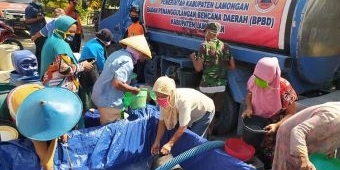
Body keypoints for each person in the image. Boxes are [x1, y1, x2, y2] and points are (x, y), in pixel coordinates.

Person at [241, 57, 298, 168]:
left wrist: (276, 125)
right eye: (256, 77)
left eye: (262, 80)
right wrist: (249, 108)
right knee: (250, 148)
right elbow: (249, 94)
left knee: (270, 156)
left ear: (271, 76)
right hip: (256, 120)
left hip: (273, 124)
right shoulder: (255, 79)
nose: (257, 81)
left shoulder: (284, 87)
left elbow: (291, 113)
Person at [91, 35, 152, 125]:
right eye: (143, 55)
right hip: (109, 101)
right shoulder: (128, 61)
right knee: (110, 129)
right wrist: (134, 90)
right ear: (138, 52)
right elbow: (117, 83)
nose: (143, 59)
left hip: (100, 93)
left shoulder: (118, 53)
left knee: (120, 117)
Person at [189, 21, 235, 134]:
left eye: (205, 32)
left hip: (206, 86)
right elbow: (232, 66)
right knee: (213, 111)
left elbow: (198, 69)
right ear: (217, 33)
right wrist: (221, 67)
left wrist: (193, 58)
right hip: (221, 87)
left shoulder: (204, 46)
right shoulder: (226, 47)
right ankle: (209, 134)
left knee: (199, 109)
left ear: (208, 32)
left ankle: (197, 135)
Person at [150, 76, 215, 155]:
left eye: (163, 96)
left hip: (205, 111)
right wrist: (157, 141)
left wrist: (170, 144)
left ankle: (205, 151)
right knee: (187, 134)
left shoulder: (183, 101)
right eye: (157, 95)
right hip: (192, 111)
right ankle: (207, 132)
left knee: (194, 142)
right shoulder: (163, 100)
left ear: (171, 94)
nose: (160, 99)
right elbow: (162, 121)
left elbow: (183, 126)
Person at [272, 102, 340, 170]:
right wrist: (304, 159)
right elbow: (298, 131)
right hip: (289, 136)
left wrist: (331, 149)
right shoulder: (333, 117)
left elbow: (333, 132)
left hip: (308, 138)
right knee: (290, 166)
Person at [40, 16, 94, 93]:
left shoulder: (53, 38)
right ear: (62, 28)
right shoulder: (59, 45)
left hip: (51, 83)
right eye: (70, 31)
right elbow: (65, 70)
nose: (72, 35)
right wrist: (83, 65)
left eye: (74, 33)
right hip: (59, 89)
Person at [78, 28, 113, 113]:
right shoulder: (98, 47)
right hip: (89, 67)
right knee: (96, 87)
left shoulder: (94, 40)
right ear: (105, 41)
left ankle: (85, 108)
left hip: (82, 64)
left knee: (85, 89)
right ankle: (92, 109)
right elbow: (101, 63)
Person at [123, 5, 148, 84]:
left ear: (138, 15)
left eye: (135, 15)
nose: (134, 17)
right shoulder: (130, 26)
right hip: (130, 54)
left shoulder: (141, 26)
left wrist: (142, 54)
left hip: (139, 54)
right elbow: (125, 40)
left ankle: (140, 90)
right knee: (132, 73)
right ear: (130, 15)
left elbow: (146, 40)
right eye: (132, 15)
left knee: (140, 75)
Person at [25, 0, 46, 70]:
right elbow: (27, 21)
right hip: (36, 33)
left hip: (43, 32)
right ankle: (39, 69)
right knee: (40, 51)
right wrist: (38, 19)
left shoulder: (39, 7)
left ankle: (38, 67)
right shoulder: (29, 8)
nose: (40, 1)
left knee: (40, 51)